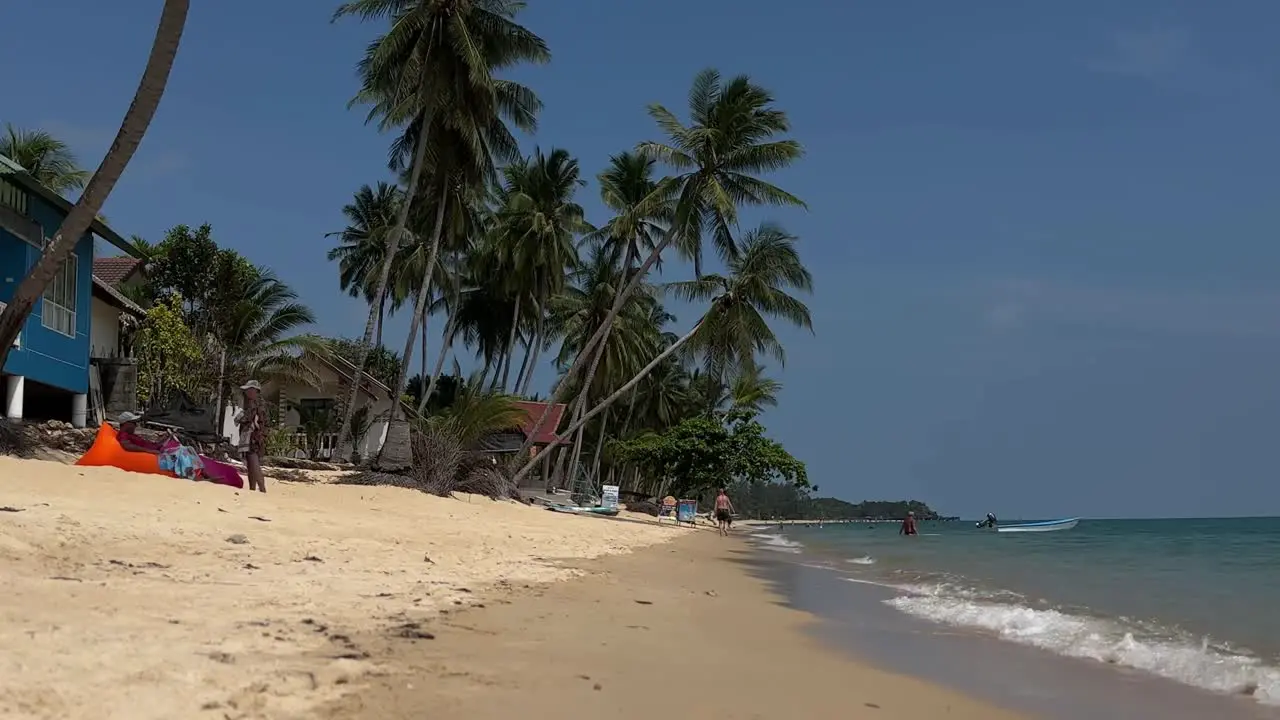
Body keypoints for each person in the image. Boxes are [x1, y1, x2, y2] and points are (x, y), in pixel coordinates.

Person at [116, 411, 204, 481]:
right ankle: (189, 476)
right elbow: (126, 446)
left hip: (157, 450)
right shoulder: (123, 434)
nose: (135, 425)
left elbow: (150, 445)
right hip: (155, 456)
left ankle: (200, 472)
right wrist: (149, 451)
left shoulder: (131, 434)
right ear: (126, 423)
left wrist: (162, 441)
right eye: (133, 423)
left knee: (188, 449)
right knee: (182, 451)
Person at [237, 380, 269, 493]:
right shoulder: (258, 402)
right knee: (251, 463)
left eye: (248, 390)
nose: (246, 392)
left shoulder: (255, 403)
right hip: (257, 435)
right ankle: (253, 489)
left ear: (254, 391)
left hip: (254, 436)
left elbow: (247, 418)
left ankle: (261, 489)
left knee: (253, 462)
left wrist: (240, 418)